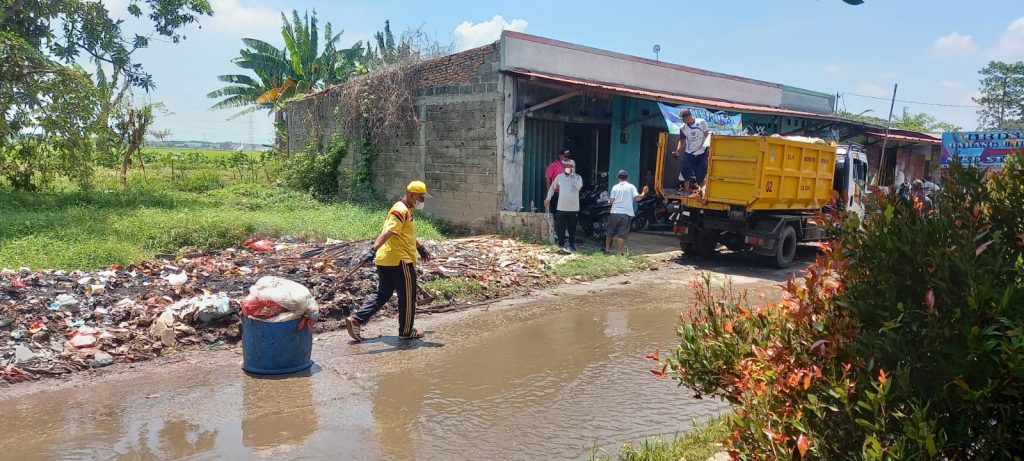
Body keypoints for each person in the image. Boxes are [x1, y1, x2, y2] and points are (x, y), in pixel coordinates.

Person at [345, 181, 433, 342]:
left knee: (383, 293)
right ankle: (406, 332)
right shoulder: (400, 210)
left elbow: (406, 235)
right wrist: (372, 249)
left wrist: (421, 248)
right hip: (400, 260)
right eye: (421, 197)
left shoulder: (406, 209)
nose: (423, 201)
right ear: (412, 195)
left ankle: (356, 319)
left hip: (386, 259)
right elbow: (389, 231)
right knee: (407, 297)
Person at [605, 170, 649, 254]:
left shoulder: (615, 187)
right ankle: (619, 253)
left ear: (618, 178)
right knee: (622, 234)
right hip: (626, 214)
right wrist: (644, 192)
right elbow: (638, 198)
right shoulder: (631, 187)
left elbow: (611, 201)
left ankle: (607, 250)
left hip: (614, 212)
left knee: (609, 232)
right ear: (627, 178)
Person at [544, 159, 583, 252]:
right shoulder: (559, 177)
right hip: (561, 207)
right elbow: (552, 188)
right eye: (565, 166)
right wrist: (548, 198)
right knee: (560, 227)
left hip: (573, 208)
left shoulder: (578, 177)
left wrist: (572, 176)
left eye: (569, 166)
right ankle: (561, 244)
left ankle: (572, 244)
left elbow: (578, 187)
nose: (566, 168)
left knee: (572, 228)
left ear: (573, 167)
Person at [671, 109, 711, 197]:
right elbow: (681, 140)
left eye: (683, 118)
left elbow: (707, 135)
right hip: (689, 153)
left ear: (688, 116)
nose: (682, 120)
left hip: (702, 152)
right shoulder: (683, 128)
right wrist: (678, 150)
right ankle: (686, 190)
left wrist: (708, 148)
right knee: (686, 170)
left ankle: (703, 192)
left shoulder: (701, 122)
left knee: (701, 174)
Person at [544, 148, 571, 214]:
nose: (566, 157)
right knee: (556, 211)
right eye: (565, 156)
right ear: (560, 156)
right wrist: (549, 192)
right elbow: (548, 179)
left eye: (568, 156)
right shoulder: (553, 165)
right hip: (556, 193)